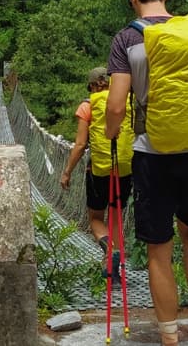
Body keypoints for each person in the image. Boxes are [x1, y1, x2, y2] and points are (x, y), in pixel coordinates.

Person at [104, 0, 188, 346]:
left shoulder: (127, 40)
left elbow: (117, 104)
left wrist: (108, 133)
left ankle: (170, 336)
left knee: (159, 245)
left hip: (153, 151)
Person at [59, 66, 134, 278]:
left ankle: (109, 251)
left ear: (92, 85)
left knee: (96, 218)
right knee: (117, 216)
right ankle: (116, 269)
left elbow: (81, 144)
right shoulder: (125, 102)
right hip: (124, 168)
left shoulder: (88, 106)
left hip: (99, 170)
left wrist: (67, 172)